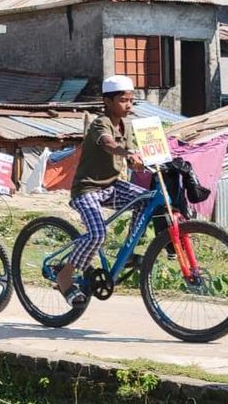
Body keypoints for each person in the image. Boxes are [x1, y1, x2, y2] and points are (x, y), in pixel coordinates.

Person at [56, 75, 146, 308]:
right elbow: (108, 144)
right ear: (107, 101)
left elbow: (132, 150)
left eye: (131, 100)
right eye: (123, 100)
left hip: (111, 187)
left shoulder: (126, 126)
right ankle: (64, 276)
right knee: (98, 234)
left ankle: (125, 254)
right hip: (87, 189)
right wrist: (127, 155)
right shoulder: (101, 123)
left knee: (144, 200)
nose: (129, 105)